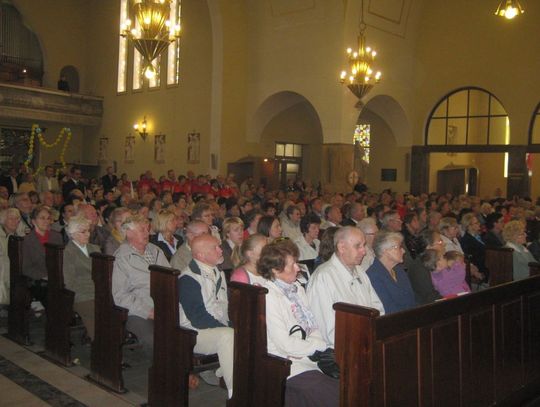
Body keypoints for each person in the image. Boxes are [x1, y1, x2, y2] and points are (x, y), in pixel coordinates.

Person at [259, 241, 339, 407]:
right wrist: (319, 347)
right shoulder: (268, 296)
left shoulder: (297, 288)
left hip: (308, 355)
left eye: (296, 262)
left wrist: (319, 346)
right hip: (285, 362)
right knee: (334, 394)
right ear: (275, 270)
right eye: (292, 264)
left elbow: (313, 325)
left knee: (352, 381)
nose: (298, 268)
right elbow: (284, 343)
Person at [307, 226, 384, 347]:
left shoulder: (360, 271)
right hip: (342, 350)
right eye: (358, 246)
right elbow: (327, 329)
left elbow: (377, 308)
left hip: (367, 341)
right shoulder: (323, 277)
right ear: (342, 247)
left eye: (364, 245)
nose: (364, 251)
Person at [178, 234, 234, 398]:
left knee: (242, 332)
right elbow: (198, 318)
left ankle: (225, 370)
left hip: (213, 329)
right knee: (228, 336)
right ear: (200, 255)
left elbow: (224, 307)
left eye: (219, 246)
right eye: (215, 248)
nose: (220, 249)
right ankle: (235, 392)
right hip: (192, 333)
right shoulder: (189, 279)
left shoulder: (217, 272)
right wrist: (228, 328)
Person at [112, 215, 170, 352]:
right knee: (156, 339)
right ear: (129, 233)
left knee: (185, 333)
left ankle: (180, 370)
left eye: (147, 229)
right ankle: (164, 371)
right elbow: (120, 296)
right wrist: (148, 311)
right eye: (142, 230)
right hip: (138, 312)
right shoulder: (122, 257)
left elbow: (170, 279)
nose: (147, 233)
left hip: (164, 306)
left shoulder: (156, 251)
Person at [63, 215, 101, 339]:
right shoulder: (68, 252)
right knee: (95, 313)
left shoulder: (95, 249)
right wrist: (89, 294)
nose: (88, 234)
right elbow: (69, 282)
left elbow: (103, 274)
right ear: (72, 234)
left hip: (99, 292)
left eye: (88, 230)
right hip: (81, 295)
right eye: (83, 231)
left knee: (114, 312)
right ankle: (100, 344)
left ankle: (110, 342)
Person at [22, 205, 63, 308]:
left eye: (48, 218)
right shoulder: (27, 240)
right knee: (53, 294)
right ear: (33, 221)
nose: (46, 221)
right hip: (38, 280)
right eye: (42, 218)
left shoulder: (57, 236)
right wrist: (45, 276)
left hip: (57, 277)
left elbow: (62, 260)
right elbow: (26, 268)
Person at [366, 231, 416, 314]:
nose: (403, 251)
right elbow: (387, 309)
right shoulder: (373, 275)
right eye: (399, 247)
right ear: (386, 251)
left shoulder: (399, 270)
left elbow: (412, 299)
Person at [0, 208, 23, 307]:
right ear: (3, 220)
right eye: (11, 218)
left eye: (17, 219)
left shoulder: (20, 237)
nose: (15, 221)